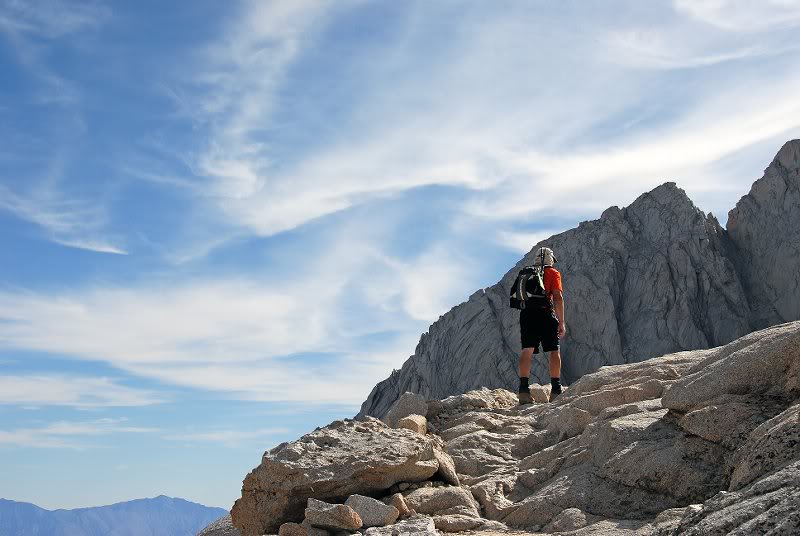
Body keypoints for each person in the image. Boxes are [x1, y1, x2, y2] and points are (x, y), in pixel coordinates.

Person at [517, 247, 566, 404]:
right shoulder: (553, 273)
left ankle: (523, 391)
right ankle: (556, 390)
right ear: (551, 259)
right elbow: (557, 297)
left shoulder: (526, 273)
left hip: (526, 315)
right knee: (553, 350)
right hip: (545, 313)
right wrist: (561, 321)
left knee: (527, 350)